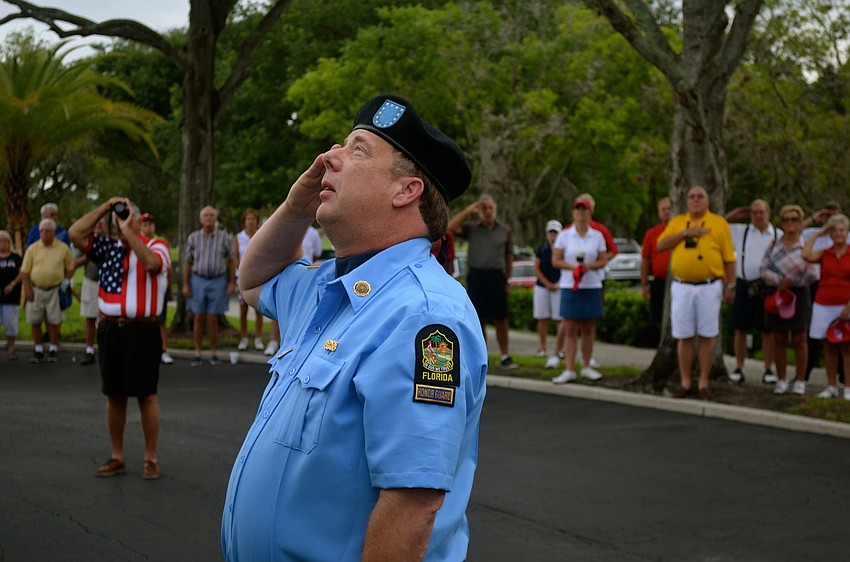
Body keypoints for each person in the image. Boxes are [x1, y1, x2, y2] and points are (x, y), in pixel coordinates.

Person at [221, 94, 487, 561]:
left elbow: (413, 503)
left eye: (358, 148)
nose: (329, 157)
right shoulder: (329, 284)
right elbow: (253, 279)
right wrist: (296, 206)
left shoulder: (424, 315)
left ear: (405, 191)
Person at [69, 198, 170, 480]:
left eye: (130, 217)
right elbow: (75, 233)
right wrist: (105, 207)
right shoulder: (106, 248)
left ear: (138, 221)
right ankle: (117, 456)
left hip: (143, 329)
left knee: (146, 394)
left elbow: (151, 264)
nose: (124, 221)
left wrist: (129, 234)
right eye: (121, 218)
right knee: (114, 395)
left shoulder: (156, 245)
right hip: (111, 328)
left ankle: (150, 457)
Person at [657, 186, 736, 400]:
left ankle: (703, 383)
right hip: (682, 287)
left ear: (708, 200)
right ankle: (685, 382)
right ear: (686, 201)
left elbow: (729, 259)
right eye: (691, 196)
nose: (695, 200)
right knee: (684, 336)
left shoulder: (719, 223)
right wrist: (685, 234)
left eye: (700, 196)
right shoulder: (677, 222)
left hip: (709, 286)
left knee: (707, 335)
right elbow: (661, 245)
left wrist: (731, 286)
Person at [449, 194, 517, 369]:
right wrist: (470, 209)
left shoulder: (505, 230)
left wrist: (508, 279)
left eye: (490, 208)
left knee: (501, 318)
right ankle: (481, 356)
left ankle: (505, 356)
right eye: (484, 208)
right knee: (478, 318)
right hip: (477, 276)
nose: (488, 212)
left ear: (495, 209)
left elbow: (509, 256)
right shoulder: (472, 229)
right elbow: (450, 226)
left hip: (497, 277)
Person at [550, 196, 610, 383]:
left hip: (591, 285)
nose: (581, 213)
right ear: (573, 213)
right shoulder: (565, 235)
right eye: (578, 209)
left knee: (589, 328)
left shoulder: (597, 236)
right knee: (570, 328)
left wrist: (588, 267)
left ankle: (586, 366)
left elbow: (603, 259)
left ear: (590, 212)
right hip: (571, 286)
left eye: (584, 209)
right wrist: (573, 268)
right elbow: (556, 260)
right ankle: (569, 369)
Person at [760, 205, 818, 395]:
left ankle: (800, 380)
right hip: (777, 293)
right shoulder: (773, 244)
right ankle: (781, 379)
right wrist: (779, 281)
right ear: (781, 222)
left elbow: (813, 273)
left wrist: (793, 282)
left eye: (794, 219)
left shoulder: (805, 245)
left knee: (800, 338)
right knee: (779, 338)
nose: (790, 223)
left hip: (799, 294)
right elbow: (764, 269)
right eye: (786, 219)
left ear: (801, 222)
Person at [725, 199, 781, 384]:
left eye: (761, 212)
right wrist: (734, 213)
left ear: (768, 214)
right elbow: (717, 225)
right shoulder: (742, 231)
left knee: (767, 330)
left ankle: (768, 369)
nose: (758, 216)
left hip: (768, 286)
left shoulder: (778, 235)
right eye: (754, 212)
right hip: (744, 284)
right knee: (741, 328)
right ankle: (739, 367)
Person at [802, 213, 850, 399]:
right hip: (824, 303)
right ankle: (830, 386)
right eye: (834, 230)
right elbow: (805, 254)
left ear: (846, 233)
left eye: (841, 230)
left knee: (846, 347)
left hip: (845, 305)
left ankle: (847, 387)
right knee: (828, 345)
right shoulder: (825, 253)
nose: (838, 234)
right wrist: (819, 233)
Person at [182, 206, 236, 366]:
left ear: (216, 218)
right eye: (205, 215)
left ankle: (213, 352)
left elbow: (232, 261)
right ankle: (197, 352)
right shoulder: (193, 238)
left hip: (218, 280)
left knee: (213, 318)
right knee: (198, 317)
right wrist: (185, 284)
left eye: (212, 215)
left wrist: (232, 282)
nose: (209, 218)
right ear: (200, 219)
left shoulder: (224, 237)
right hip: (197, 279)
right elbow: (187, 262)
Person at [20, 219, 74, 363]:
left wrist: (66, 281)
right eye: (42, 231)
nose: (44, 233)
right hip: (36, 289)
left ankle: (53, 348)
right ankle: (38, 349)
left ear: (54, 232)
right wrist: (27, 290)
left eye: (48, 231)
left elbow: (70, 267)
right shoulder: (33, 248)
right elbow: (24, 272)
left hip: (54, 290)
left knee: (54, 321)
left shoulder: (63, 248)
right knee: (35, 320)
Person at [140, 213, 174, 364]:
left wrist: (170, 288)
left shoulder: (160, 243)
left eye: (150, 224)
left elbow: (168, 269)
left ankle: (164, 350)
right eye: (145, 224)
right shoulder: (135, 243)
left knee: (160, 320)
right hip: (142, 288)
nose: (148, 228)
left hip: (159, 288)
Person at [233, 208, 266, 352]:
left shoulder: (262, 235)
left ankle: (258, 338)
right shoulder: (238, 238)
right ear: (244, 222)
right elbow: (235, 258)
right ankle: (244, 338)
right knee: (243, 308)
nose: (251, 222)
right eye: (248, 219)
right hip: (243, 277)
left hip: (259, 277)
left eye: (253, 219)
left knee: (259, 308)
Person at [77, 218, 108, 366]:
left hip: (108, 284)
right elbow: (74, 262)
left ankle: (106, 350)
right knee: (90, 317)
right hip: (91, 282)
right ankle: (89, 350)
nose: (98, 226)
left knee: (107, 319)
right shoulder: (86, 243)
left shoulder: (111, 242)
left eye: (101, 224)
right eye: (96, 224)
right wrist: (87, 256)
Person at [535, 220, 564, 369]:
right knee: (543, 318)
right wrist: (547, 283)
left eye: (556, 233)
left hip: (559, 286)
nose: (553, 236)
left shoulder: (564, 249)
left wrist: (558, 283)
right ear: (547, 234)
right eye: (551, 233)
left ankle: (560, 349)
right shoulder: (542, 249)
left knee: (560, 319)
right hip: (542, 286)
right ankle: (543, 348)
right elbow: (537, 268)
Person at [641, 197, 672, 328]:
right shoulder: (652, 234)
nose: (666, 212)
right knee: (658, 320)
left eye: (669, 209)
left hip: (679, 282)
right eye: (663, 209)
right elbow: (645, 260)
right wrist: (644, 284)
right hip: (659, 282)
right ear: (659, 213)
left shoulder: (682, 231)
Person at [0, 230, 24, 360]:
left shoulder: (15, 258)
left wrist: (12, 284)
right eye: (0, 241)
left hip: (11, 297)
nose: (2, 243)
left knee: (10, 324)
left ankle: (11, 348)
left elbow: (22, 273)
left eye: (5, 241)